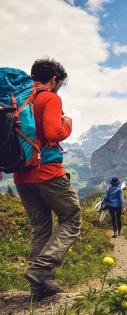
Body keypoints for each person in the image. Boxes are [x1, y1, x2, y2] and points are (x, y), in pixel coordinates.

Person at [14, 58, 81, 300]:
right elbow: (53, 133)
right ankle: (42, 269)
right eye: (59, 84)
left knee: (40, 228)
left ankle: (38, 288)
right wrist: (68, 125)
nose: (58, 88)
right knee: (72, 218)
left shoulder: (19, 99)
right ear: (53, 79)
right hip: (48, 172)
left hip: (21, 175)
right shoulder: (49, 97)